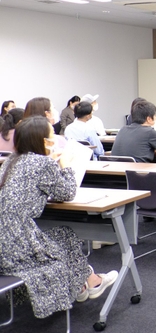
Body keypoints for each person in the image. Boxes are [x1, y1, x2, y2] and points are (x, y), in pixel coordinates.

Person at [0, 116, 117, 319]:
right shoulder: (43, 164)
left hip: (4, 244)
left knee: (61, 234)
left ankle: (84, 285)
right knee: (66, 235)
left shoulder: (10, 162)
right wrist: (65, 164)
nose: (55, 136)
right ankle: (91, 281)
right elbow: (67, 192)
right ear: (44, 141)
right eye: (52, 134)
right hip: (19, 247)